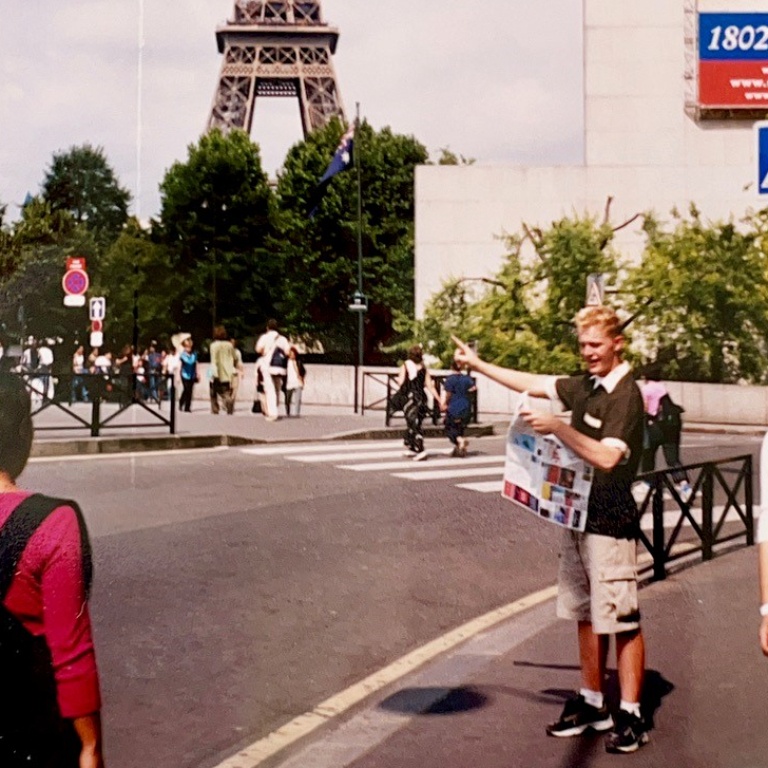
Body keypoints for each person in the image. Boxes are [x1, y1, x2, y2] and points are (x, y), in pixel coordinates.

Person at [453, 305, 649, 754]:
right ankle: (594, 700)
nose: (588, 353)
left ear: (617, 343)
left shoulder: (626, 396)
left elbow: (607, 458)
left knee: (621, 618)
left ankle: (633, 713)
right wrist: (478, 364)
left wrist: (558, 427)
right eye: (583, 345)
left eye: (596, 344)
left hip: (611, 522)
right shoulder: (586, 387)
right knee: (584, 613)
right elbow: (532, 382)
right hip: (578, 516)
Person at [0, 373, 105, 767]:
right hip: (29, 738)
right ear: (21, 434)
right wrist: (90, 748)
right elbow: (71, 654)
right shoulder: (53, 522)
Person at [637, 367, 691, 501]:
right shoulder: (662, 387)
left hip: (655, 426)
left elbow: (645, 408)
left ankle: (648, 483)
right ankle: (684, 485)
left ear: (646, 377)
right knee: (673, 459)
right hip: (671, 427)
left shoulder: (646, 389)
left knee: (648, 454)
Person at [395, 345, 441, 461]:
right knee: (417, 422)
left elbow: (401, 382)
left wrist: (399, 381)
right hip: (421, 398)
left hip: (409, 399)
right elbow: (430, 386)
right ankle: (412, 447)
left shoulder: (405, 365)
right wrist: (439, 400)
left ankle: (420, 448)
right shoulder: (424, 368)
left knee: (412, 424)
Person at [255, 319, 291, 421]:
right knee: (277, 388)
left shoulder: (265, 337)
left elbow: (258, 349)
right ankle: (275, 407)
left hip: (267, 365)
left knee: (269, 389)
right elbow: (288, 352)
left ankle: (272, 413)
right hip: (279, 366)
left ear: (267, 328)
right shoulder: (282, 339)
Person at [441, 357, 476, 457]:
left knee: (448, 426)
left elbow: (448, 393)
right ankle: (459, 449)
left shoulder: (450, 379)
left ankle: (460, 440)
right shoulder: (466, 378)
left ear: (452, 367)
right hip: (465, 406)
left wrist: (444, 403)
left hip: (454, 407)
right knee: (460, 427)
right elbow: (473, 388)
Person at [209, 325, 236, 415]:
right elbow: (234, 357)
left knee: (213, 392)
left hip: (216, 371)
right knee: (226, 391)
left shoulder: (213, 345)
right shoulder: (229, 345)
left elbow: (213, 360)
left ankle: (215, 409)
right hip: (228, 372)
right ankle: (229, 401)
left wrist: (211, 374)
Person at [284, 347, 306, 417]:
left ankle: (297, 413)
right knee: (287, 399)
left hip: (297, 382)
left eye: (293, 354)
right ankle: (288, 412)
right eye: (291, 354)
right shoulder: (286, 362)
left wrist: (301, 377)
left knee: (298, 399)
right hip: (289, 383)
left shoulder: (298, 362)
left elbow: (303, 371)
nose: (292, 355)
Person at [178, 338, 198, 413]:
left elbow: (195, 364)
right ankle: (181, 402)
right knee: (187, 389)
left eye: (189, 347)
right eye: (186, 347)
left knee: (190, 391)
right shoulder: (182, 355)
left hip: (192, 375)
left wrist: (197, 373)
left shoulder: (194, 354)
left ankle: (187, 407)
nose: (188, 348)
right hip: (184, 375)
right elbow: (180, 366)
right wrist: (178, 375)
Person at [230, 338, 245, 408]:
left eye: (233, 343)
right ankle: (227, 404)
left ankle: (231, 404)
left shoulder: (237, 352)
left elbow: (239, 362)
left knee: (234, 389)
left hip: (234, 372)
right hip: (225, 373)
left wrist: (242, 372)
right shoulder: (224, 351)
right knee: (227, 390)